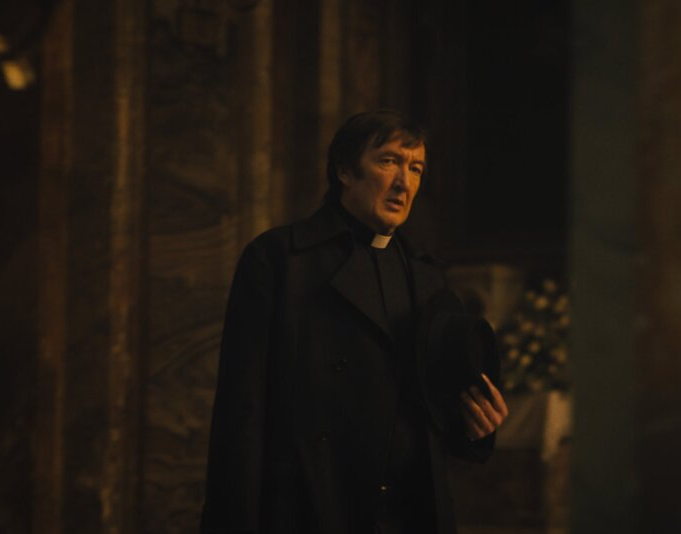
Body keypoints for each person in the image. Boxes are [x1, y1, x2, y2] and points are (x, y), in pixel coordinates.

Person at [200, 110, 508, 534]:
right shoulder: (279, 260)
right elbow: (242, 414)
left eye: (415, 168)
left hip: (409, 514)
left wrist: (474, 426)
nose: (403, 183)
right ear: (345, 171)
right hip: (313, 510)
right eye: (389, 162)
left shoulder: (427, 276)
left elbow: (430, 412)